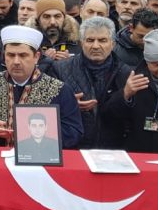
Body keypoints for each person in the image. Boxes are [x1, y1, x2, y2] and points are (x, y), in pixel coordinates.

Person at [0, 25, 83, 148]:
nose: (16, 61)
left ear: (36, 57)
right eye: (11, 55)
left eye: (23, 55)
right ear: (4, 56)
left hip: (40, 160)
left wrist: (37, 133)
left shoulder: (59, 89)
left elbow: (74, 131)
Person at [50, 16, 131, 149]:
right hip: (73, 147)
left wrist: (125, 96)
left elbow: (130, 118)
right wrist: (69, 105)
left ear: (113, 44)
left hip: (112, 150)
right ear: (81, 43)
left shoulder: (126, 73)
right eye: (90, 40)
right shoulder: (60, 69)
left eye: (102, 40)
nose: (95, 46)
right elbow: (47, 110)